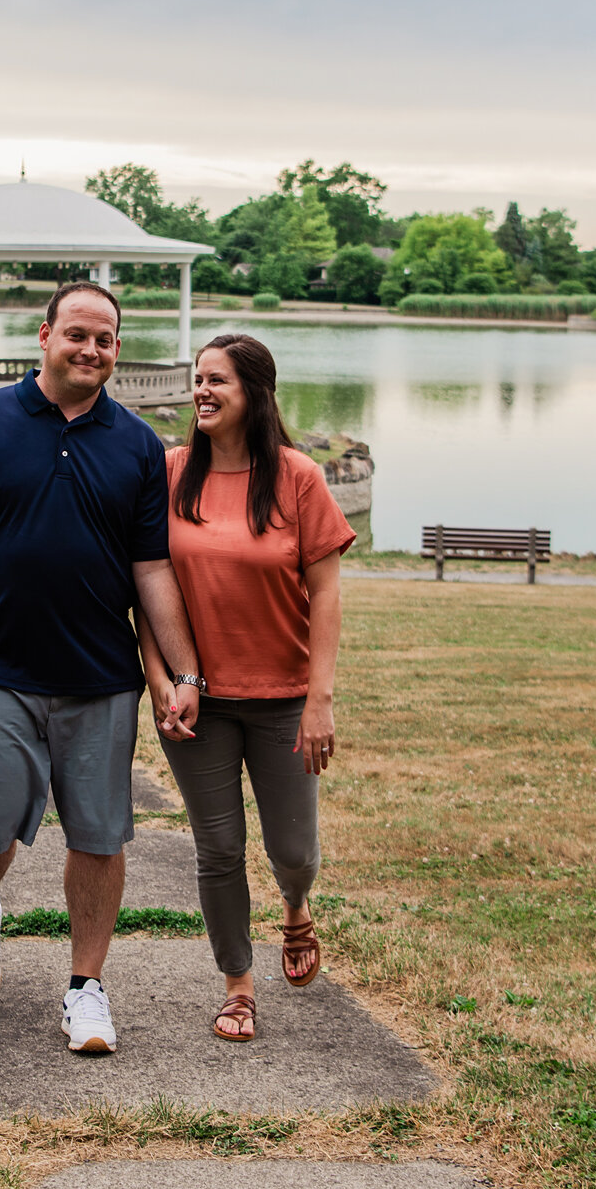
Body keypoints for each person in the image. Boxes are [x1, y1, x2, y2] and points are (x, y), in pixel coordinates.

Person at [0, 281, 205, 1054]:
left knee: (99, 836)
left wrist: (184, 672)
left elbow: (152, 568)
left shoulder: (134, 444)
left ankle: (86, 987)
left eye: (104, 339)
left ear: (116, 350)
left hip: (99, 676)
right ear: (44, 336)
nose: (90, 349)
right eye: (77, 334)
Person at [138, 333, 355, 1042]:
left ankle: (295, 908)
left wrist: (319, 699)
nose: (201, 391)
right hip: (199, 702)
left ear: (254, 393)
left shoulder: (297, 478)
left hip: (284, 700)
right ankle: (237, 985)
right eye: (198, 379)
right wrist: (164, 682)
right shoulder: (168, 473)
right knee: (219, 850)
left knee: (293, 853)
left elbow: (326, 596)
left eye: (217, 381)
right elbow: (145, 587)